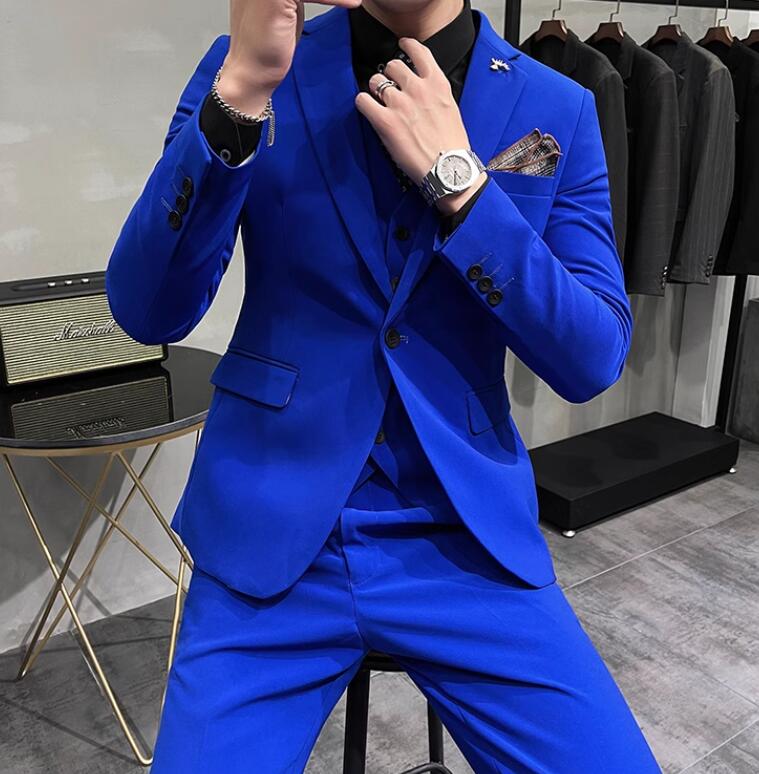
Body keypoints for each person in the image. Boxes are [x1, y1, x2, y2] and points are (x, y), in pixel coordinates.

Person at [105, 0, 662, 770]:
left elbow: (591, 357)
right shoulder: (251, 66)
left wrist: (463, 188)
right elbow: (146, 311)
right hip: (269, 528)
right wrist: (241, 90)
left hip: (464, 540)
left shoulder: (554, 104)